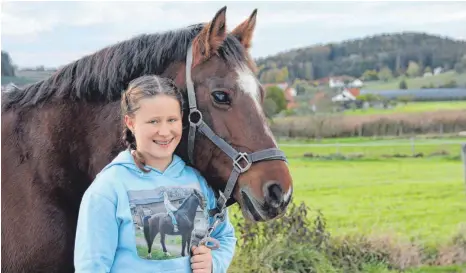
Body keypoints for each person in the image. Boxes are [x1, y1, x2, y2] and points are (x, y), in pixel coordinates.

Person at [74, 75, 237, 273]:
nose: (164, 131)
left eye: (172, 120)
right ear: (130, 123)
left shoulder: (197, 182)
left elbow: (224, 235)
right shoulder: (108, 188)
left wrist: (214, 262)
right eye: (153, 121)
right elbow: (92, 266)